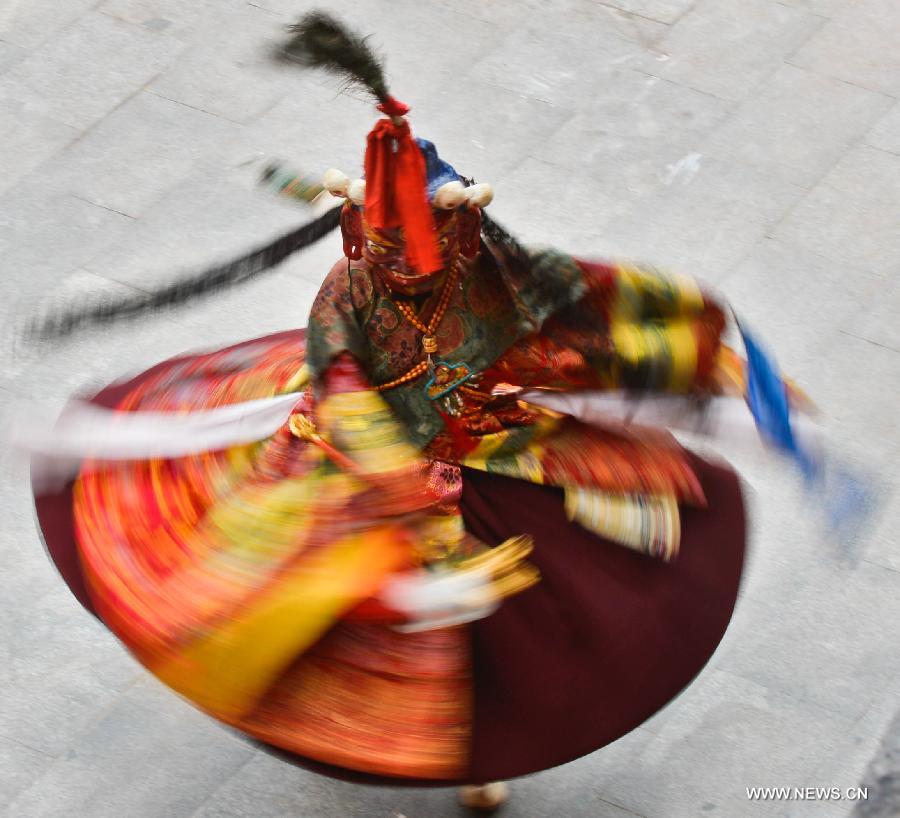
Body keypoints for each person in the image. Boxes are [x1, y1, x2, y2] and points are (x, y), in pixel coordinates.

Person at [24, 12, 813, 812]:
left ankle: (477, 761)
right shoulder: (348, 292)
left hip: (486, 449)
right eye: (385, 244)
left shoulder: (495, 271)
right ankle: (441, 744)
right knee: (319, 597)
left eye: (417, 246)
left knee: (513, 631)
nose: (398, 264)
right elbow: (344, 394)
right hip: (360, 464)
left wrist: (710, 371)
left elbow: (585, 321)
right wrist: (406, 513)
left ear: (461, 227)